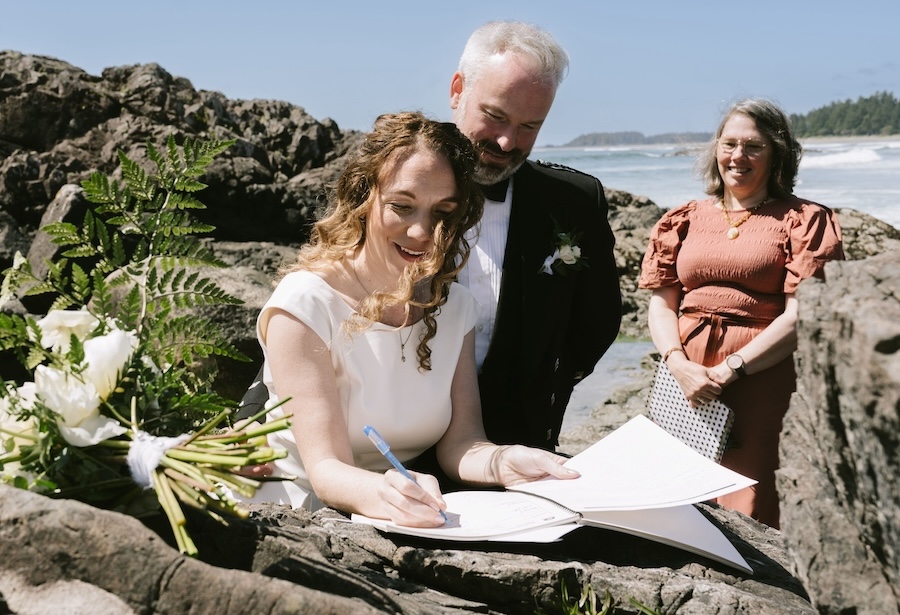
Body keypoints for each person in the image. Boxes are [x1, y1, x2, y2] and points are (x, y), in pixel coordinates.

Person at [249, 111, 578, 524]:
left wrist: (505, 461)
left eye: (442, 213)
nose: (422, 233)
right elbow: (326, 470)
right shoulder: (305, 304)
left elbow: (461, 443)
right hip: (294, 512)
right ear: (363, 195)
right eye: (402, 207)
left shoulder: (454, 306)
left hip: (399, 510)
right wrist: (386, 491)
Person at [638, 98, 844, 528]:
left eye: (753, 146)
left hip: (761, 377)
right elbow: (662, 303)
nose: (738, 156)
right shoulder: (684, 218)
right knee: (674, 494)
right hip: (684, 379)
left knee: (750, 502)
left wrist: (732, 368)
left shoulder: (805, 219)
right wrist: (679, 365)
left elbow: (802, 315)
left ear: (777, 154)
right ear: (716, 150)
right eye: (729, 143)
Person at [449, 21, 622, 451]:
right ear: (458, 90)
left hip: (520, 440)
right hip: (395, 440)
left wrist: (547, 394)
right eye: (495, 117)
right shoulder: (393, 185)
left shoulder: (574, 201)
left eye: (530, 126)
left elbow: (597, 322)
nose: (508, 141)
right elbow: (325, 298)